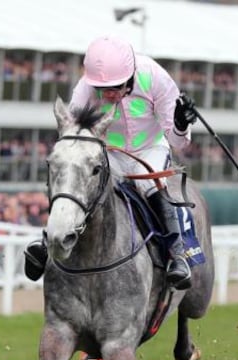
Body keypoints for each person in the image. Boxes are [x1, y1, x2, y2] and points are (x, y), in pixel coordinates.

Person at [23, 35, 199, 289]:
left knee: (151, 185)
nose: (109, 95)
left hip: (149, 149)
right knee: (79, 180)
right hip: (110, 153)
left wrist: (181, 124)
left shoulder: (155, 78)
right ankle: (47, 240)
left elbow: (179, 141)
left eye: (116, 88)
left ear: (130, 77)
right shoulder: (86, 87)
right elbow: (74, 138)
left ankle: (177, 255)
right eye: (103, 90)